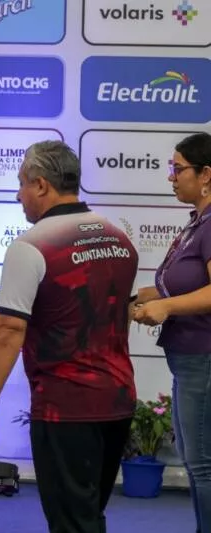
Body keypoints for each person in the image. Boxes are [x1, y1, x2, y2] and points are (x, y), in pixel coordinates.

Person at [0, 141, 139, 533]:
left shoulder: (30, 247)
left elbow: (8, 329)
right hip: (117, 400)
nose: (18, 195)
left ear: (42, 185)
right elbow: (122, 315)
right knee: (89, 515)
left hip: (66, 407)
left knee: (72, 523)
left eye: (22, 184)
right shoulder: (118, 238)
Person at [133, 132, 211, 533]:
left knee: (202, 464)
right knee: (197, 462)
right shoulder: (197, 223)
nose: (171, 177)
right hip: (189, 360)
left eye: (177, 169)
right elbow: (176, 285)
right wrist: (137, 296)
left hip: (203, 358)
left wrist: (166, 307)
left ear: (206, 174)